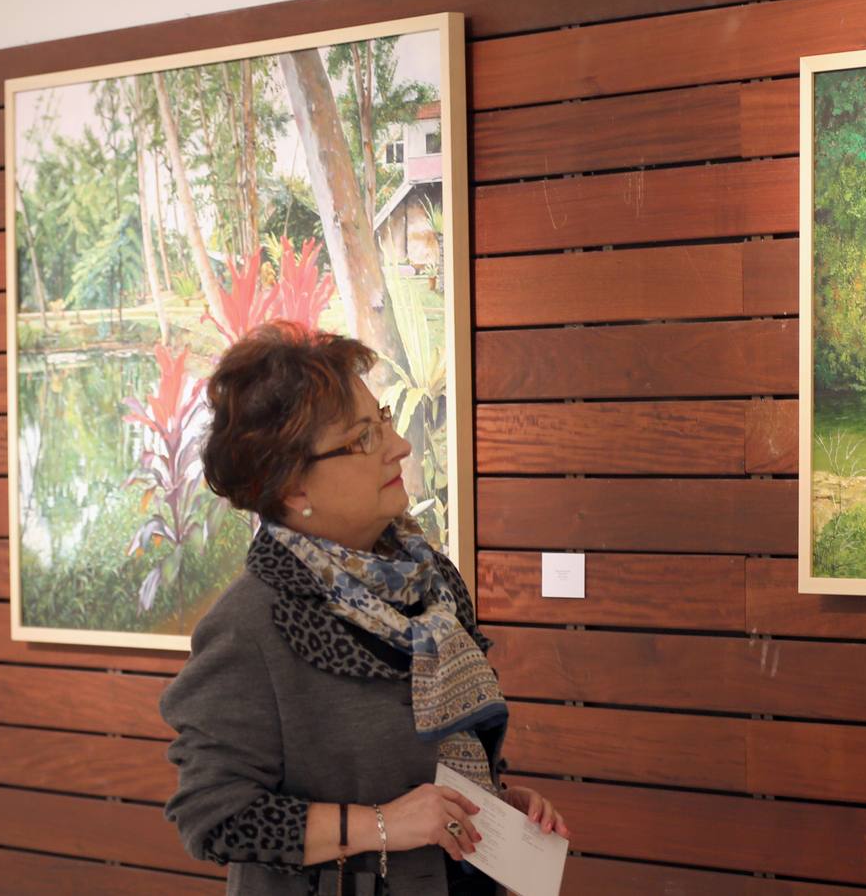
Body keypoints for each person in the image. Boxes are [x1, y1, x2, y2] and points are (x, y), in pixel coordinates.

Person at [160, 321, 571, 896]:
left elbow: (432, 763)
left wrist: (496, 805)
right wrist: (384, 825)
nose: (398, 445)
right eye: (363, 439)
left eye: (383, 421)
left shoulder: (432, 583)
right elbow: (213, 815)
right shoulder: (251, 624)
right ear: (293, 489)